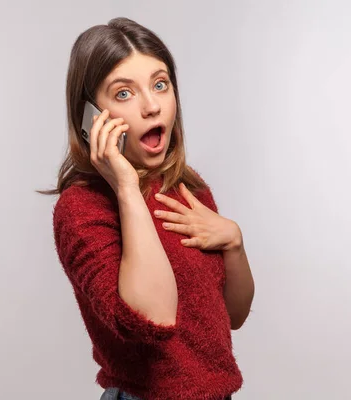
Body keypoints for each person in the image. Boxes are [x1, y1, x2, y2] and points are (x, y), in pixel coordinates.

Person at [42, 17, 255, 400]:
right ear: (91, 116)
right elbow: (154, 318)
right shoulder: (81, 209)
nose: (152, 106)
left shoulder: (186, 186)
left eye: (160, 84)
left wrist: (234, 243)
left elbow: (232, 317)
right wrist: (125, 186)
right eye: (124, 94)